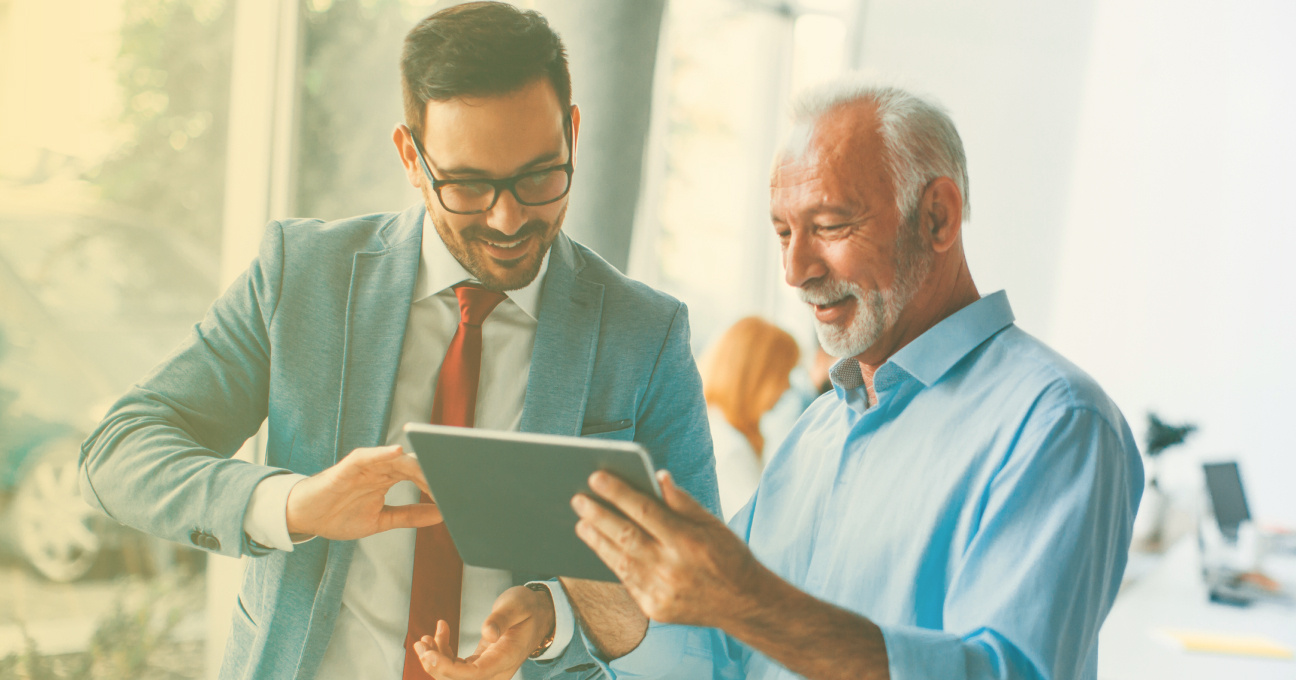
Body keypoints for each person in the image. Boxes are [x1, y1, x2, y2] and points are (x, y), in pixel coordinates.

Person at [77, 3, 718, 680]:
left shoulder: (645, 336)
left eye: (538, 176)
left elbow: (705, 606)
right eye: (469, 186)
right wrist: (293, 503)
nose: (509, 219)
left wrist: (553, 613)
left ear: (573, 134)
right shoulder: (302, 276)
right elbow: (119, 450)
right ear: (411, 157)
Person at [569, 83, 1144, 679]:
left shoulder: (1057, 422)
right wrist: (581, 603)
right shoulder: (814, 431)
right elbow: (720, 660)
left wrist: (748, 601)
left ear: (937, 216)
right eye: (784, 233)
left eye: (830, 226)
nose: (796, 270)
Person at [699, 317, 800, 520]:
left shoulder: (710, 427)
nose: (787, 388)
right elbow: (761, 534)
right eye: (784, 375)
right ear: (757, 376)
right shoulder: (730, 449)